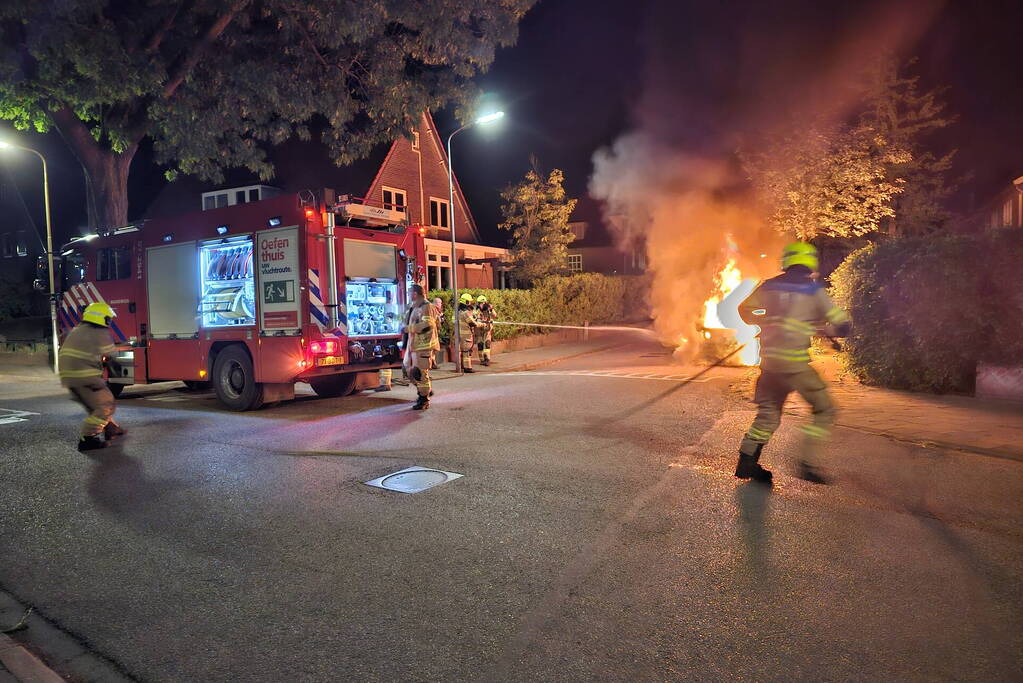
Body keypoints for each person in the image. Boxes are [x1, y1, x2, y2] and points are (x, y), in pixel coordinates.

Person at [734, 241, 851, 485]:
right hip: (796, 367)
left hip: (769, 365)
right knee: (824, 409)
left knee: (768, 415)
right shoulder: (814, 290)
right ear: (810, 261)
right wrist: (828, 329)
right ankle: (806, 464)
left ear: (787, 260)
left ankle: (747, 460)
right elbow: (842, 324)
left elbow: (744, 310)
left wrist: (765, 321)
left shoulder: (768, 286)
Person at [59, 301, 126, 452]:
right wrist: (119, 376)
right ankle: (87, 440)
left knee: (95, 406)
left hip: (69, 377)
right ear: (102, 318)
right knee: (106, 404)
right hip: (86, 376)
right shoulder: (99, 332)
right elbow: (112, 356)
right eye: (108, 318)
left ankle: (111, 428)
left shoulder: (77, 330)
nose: (109, 321)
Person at [403, 284, 438, 410]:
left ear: (415, 294)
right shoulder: (415, 306)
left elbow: (427, 325)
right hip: (413, 345)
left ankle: (424, 399)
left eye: (409, 293)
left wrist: (408, 328)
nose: (408, 295)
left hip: (423, 346)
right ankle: (425, 390)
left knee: (419, 373)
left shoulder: (426, 306)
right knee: (407, 370)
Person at [456, 292, 478, 373]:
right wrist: (482, 324)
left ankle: (462, 366)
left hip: (459, 334)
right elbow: (472, 323)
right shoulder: (466, 313)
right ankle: (467, 368)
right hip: (466, 335)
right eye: (469, 301)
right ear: (466, 302)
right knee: (467, 352)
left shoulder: (458, 311)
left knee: (463, 351)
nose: (470, 303)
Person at [474, 295, 496, 366]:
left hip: (487, 329)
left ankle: (487, 359)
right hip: (478, 329)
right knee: (480, 344)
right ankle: (482, 360)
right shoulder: (475, 309)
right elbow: (473, 317)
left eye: (483, 303)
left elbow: (494, 315)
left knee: (487, 343)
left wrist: (491, 310)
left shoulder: (489, 308)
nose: (481, 305)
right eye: (480, 303)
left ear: (485, 302)